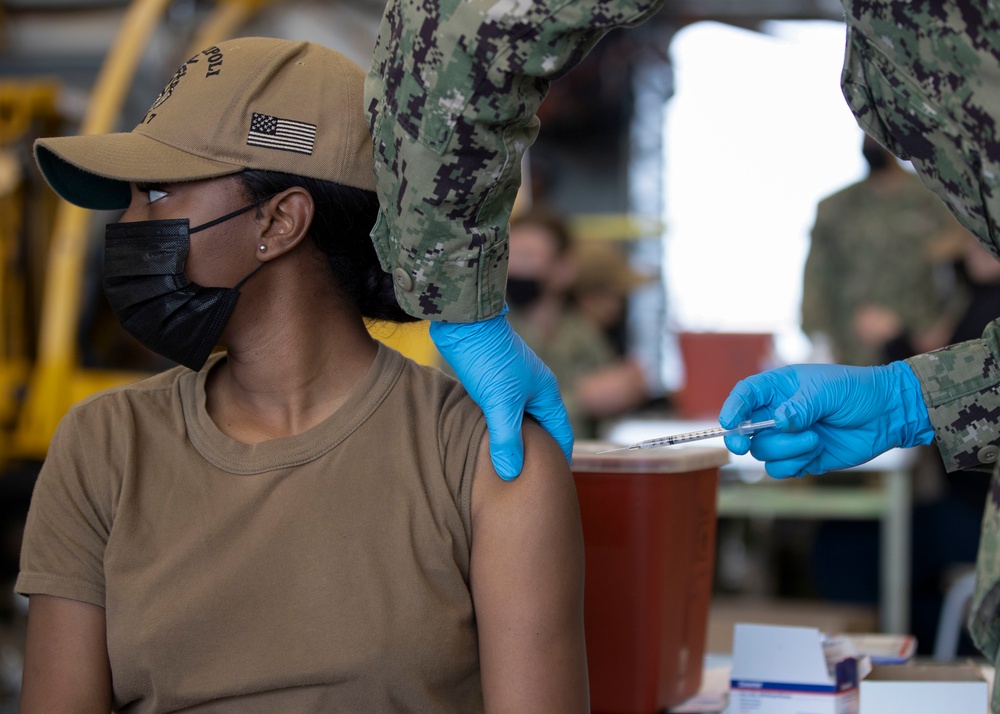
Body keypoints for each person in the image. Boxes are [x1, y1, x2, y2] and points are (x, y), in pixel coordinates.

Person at [17, 37, 587, 712]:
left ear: (279, 221)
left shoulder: (484, 459)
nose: (128, 223)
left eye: (156, 192)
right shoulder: (103, 446)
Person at [720, 6, 1000, 711]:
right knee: (841, 535)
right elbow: (817, 291)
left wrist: (916, 376)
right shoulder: (838, 207)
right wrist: (906, 390)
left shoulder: (941, 211)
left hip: (925, 381)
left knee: (881, 539)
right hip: (873, 379)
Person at [365, 0, 664, 478]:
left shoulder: (575, 333)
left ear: (562, 270)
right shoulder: (487, 335)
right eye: (515, 254)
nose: (520, 269)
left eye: (532, 256)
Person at [801, 135, 964, 367]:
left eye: (874, 133)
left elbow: (963, 269)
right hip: (852, 354)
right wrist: (822, 340)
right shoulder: (836, 207)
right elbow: (816, 278)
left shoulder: (935, 199)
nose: (870, 141)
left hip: (924, 353)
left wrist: (944, 325)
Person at [506, 208, 648, 438]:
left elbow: (610, 405)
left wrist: (626, 389)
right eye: (508, 257)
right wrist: (582, 401)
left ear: (564, 269)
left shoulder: (580, 331)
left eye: (527, 257)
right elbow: (485, 420)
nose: (514, 268)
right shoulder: (483, 336)